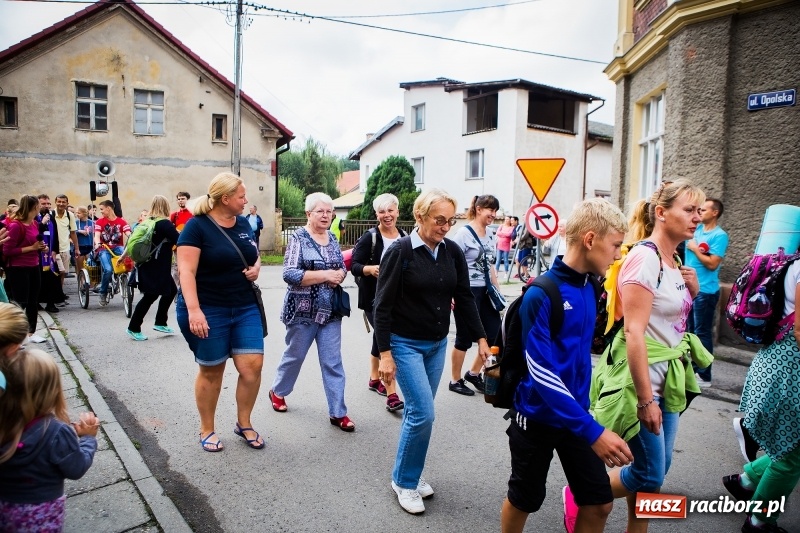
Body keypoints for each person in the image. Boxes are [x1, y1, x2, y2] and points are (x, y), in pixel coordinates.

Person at [501, 198, 634, 533]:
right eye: (615, 245)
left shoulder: (591, 285)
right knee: (525, 498)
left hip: (575, 415)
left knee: (599, 502)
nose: (618, 254)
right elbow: (541, 373)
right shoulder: (542, 293)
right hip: (536, 417)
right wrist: (593, 431)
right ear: (590, 240)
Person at [590, 179, 711, 533]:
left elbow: (669, 323)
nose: (697, 218)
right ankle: (585, 494)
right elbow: (634, 332)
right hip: (640, 384)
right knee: (649, 472)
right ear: (661, 213)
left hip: (668, 380)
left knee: (657, 472)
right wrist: (646, 400)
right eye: (689, 210)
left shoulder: (675, 260)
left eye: (699, 211)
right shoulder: (645, 258)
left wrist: (693, 291)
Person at [374, 188, 491, 514]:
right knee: (423, 413)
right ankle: (404, 482)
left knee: (418, 412)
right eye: (439, 220)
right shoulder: (400, 252)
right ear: (420, 216)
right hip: (404, 344)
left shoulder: (452, 251)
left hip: (437, 344)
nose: (445, 227)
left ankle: (408, 473)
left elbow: (464, 297)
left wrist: (481, 338)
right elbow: (381, 307)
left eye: (451, 221)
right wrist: (385, 354)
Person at [176, 172, 264, 452]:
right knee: (212, 370)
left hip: (244, 305)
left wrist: (256, 267)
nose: (246, 201)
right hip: (208, 307)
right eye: (241, 196)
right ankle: (207, 428)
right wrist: (194, 311)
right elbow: (186, 272)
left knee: (252, 367)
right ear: (225, 199)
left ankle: (244, 422)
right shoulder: (196, 227)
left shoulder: (243, 223)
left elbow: (253, 253)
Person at [723, 249, 800, 533]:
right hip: (790, 373)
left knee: (792, 446)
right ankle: (759, 522)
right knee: (791, 456)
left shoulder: (793, 263)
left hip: (779, 366)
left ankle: (747, 481)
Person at [269, 193, 354, 431]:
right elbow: (290, 274)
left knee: (333, 362)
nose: (326, 216)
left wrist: (339, 275)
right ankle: (278, 391)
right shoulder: (299, 238)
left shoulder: (333, 237)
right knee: (295, 356)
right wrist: (326, 275)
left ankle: (338, 412)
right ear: (308, 214)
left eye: (329, 211)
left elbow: (340, 266)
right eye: (320, 211)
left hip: (330, 312)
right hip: (302, 311)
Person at [0, 348, 99, 531]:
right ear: (53, 391)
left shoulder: (4, 424)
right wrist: (88, 438)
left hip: (6, 512)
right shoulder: (56, 433)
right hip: (42, 517)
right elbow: (76, 468)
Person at [350, 193, 406, 412]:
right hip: (373, 300)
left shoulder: (404, 236)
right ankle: (392, 394)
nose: (387, 215)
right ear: (376, 214)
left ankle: (374, 379)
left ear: (397, 212)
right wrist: (369, 269)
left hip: (398, 300)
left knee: (379, 337)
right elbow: (354, 265)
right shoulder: (370, 237)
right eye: (382, 211)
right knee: (387, 339)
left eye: (390, 210)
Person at [449, 194, 502, 396]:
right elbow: (451, 263)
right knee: (464, 337)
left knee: (494, 335)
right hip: (466, 291)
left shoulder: (491, 234)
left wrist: (497, 292)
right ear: (479, 209)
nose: (493, 214)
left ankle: (473, 373)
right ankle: (455, 380)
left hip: (486, 291)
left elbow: (490, 265)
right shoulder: (464, 233)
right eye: (490, 210)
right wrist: (451, 292)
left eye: (495, 211)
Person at [685, 197, 728, 387]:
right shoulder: (696, 230)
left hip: (706, 291)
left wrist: (696, 249)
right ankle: (692, 370)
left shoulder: (719, 235)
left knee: (702, 333)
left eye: (703, 210)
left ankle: (704, 375)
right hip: (689, 288)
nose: (699, 212)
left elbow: (712, 264)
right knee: (690, 332)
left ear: (715, 213)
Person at [124, 196, 180, 341]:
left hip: (147, 264)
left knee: (171, 291)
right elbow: (180, 240)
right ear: (166, 207)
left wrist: (123, 256)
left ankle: (160, 322)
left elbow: (132, 240)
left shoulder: (148, 222)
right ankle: (133, 328)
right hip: (158, 266)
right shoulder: (165, 224)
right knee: (150, 296)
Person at [2, 196, 47, 340]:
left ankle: (31, 332)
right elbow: (7, 251)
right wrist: (31, 248)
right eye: (39, 205)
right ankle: (16, 334)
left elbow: (35, 244)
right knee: (21, 302)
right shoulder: (16, 226)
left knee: (33, 301)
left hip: (34, 265)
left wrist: (41, 248)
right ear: (34, 207)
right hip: (18, 268)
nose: (41, 207)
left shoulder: (34, 223)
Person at [93, 199, 131, 306]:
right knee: (108, 270)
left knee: (127, 259)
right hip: (104, 248)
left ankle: (126, 280)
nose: (101, 211)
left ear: (108, 208)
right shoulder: (99, 222)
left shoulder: (121, 222)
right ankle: (103, 293)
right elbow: (97, 236)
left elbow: (129, 233)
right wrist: (98, 243)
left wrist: (132, 239)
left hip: (117, 247)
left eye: (102, 209)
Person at [53, 194, 79, 288]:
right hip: (54, 249)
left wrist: (77, 248)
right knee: (58, 271)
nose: (61, 204)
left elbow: (73, 233)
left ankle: (59, 291)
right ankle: (55, 292)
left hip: (65, 248)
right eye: (59, 201)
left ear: (67, 203)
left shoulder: (69, 215)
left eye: (63, 202)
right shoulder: (51, 214)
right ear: (55, 202)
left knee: (63, 273)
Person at [74, 206, 94, 275]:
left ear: (84, 213)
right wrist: (79, 231)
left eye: (79, 213)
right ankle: (80, 279)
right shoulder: (76, 223)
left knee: (90, 267)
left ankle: (89, 281)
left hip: (90, 246)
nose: (77, 214)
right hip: (80, 246)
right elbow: (71, 233)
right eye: (76, 213)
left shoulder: (92, 223)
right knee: (80, 268)